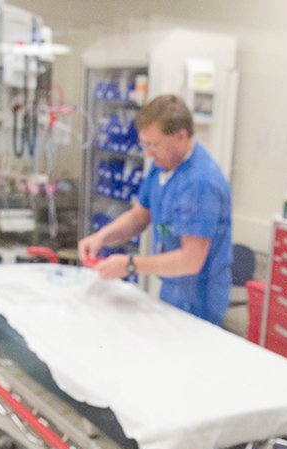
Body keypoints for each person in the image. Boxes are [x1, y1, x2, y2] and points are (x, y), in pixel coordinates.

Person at [78, 94, 234, 325]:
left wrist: (130, 265)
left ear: (181, 136)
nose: (148, 153)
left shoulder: (201, 182)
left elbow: (191, 260)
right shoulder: (163, 166)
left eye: (154, 144)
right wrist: (102, 237)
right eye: (145, 145)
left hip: (199, 299)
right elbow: (140, 216)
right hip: (173, 288)